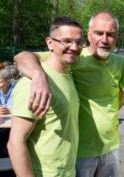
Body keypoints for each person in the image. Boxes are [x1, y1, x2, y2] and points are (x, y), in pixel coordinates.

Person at [14, 12, 124, 177]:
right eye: (99, 33)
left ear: (116, 37)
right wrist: (38, 75)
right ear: (89, 34)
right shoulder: (74, 57)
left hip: (112, 148)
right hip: (81, 152)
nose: (105, 39)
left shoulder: (122, 64)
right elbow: (22, 56)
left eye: (110, 34)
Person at [7, 17, 83, 176]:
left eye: (79, 42)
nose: (74, 47)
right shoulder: (32, 83)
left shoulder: (68, 75)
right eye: (67, 41)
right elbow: (15, 143)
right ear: (50, 43)